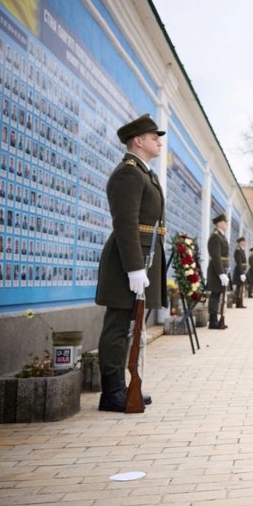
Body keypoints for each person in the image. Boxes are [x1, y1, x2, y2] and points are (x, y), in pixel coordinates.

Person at [94, 114, 164, 412]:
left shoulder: (146, 174)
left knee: (131, 326)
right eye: (153, 137)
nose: (158, 142)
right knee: (119, 324)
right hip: (129, 258)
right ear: (138, 140)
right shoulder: (128, 174)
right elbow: (125, 223)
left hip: (143, 257)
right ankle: (111, 392)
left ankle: (122, 386)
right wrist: (134, 267)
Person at [206, 214, 229, 329]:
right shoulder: (215, 237)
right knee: (215, 294)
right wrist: (221, 273)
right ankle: (213, 321)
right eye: (224, 222)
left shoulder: (221, 236)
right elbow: (216, 256)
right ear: (219, 223)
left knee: (219, 294)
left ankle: (216, 319)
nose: (226, 224)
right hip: (216, 270)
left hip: (221, 269)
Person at [233, 237, 248, 308]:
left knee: (241, 288)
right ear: (239, 242)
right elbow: (239, 263)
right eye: (242, 242)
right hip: (239, 271)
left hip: (242, 271)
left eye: (244, 242)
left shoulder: (242, 250)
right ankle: (238, 303)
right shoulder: (238, 250)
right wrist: (242, 273)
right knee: (239, 288)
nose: (244, 243)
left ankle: (240, 303)